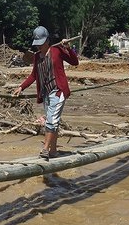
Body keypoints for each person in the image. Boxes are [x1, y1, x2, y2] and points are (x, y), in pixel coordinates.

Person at [12, 26, 79, 160]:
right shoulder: (37, 57)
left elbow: (74, 62)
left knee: (51, 122)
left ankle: (45, 149)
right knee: (53, 122)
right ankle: (53, 151)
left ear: (47, 40)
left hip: (58, 91)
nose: (38, 47)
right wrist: (21, 87)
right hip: (46, 93)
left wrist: (68, 48)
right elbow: (33, 76)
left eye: (41, 43)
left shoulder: (57, 50)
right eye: (37, 44)